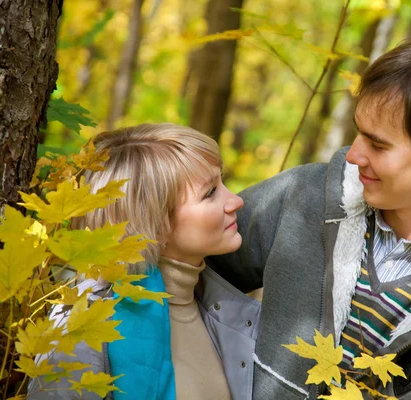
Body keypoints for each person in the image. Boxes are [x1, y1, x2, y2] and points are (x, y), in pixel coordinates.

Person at [207, 36, 411, 399]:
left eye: (378, 145)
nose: (352, 155)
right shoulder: (304, 196)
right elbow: (182, 274)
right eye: (358, 132)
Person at [28, 123, 260, 400]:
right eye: (209, 193)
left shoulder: (219, 308)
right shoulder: (83, 327)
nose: (235, 201)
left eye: (222, 182)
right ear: (155, 224)